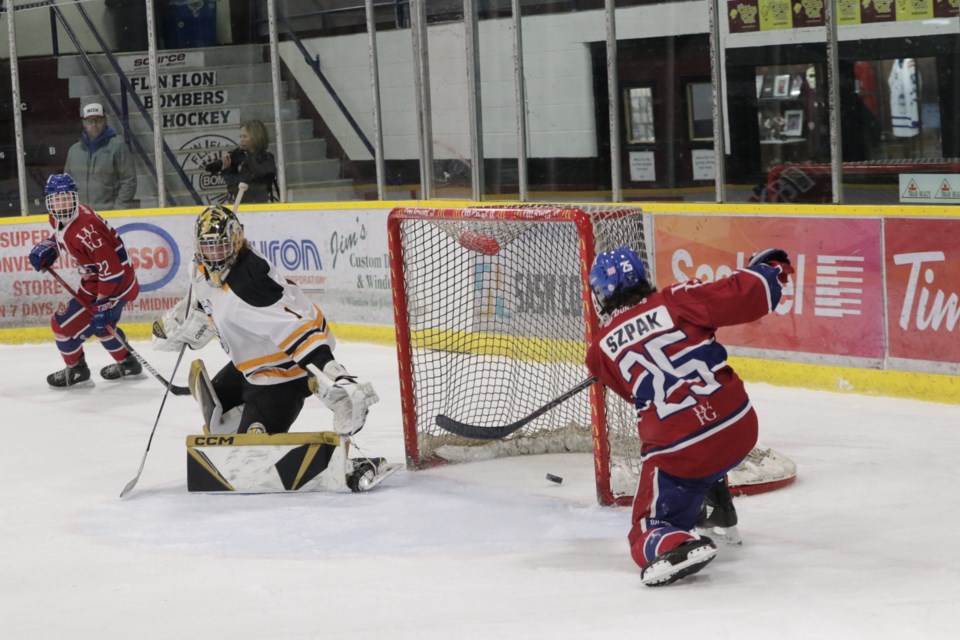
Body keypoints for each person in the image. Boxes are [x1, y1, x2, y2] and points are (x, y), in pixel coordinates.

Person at [584, 246, 794, 586]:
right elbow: (746, 294)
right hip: (738, 425)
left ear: (601, 294)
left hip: (682, 451)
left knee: (645, 526)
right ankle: (719, 511)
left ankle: (676, 540)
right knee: (703, 441)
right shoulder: (678, 299)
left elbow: (638, 397)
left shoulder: (598, 353)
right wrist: (768, 270)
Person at [152, 204, 377, 436]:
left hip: (283, 373)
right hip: (253, 361)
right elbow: (206, 296)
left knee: (249, 456)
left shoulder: (247, 288)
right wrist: (187, 323)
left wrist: (338, 375)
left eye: (221, 247)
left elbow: (298, 331)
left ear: (237, 241)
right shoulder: (199, 267)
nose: (215, 256)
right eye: (209, 248)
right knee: (216, 415)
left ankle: (322, 389)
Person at [28, 173, 142, 389]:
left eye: (66, 198)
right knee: (103, 327)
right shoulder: (60, 218)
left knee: (61, 326)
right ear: (48, 202)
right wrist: (50, 246)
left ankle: (77, 370)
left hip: (112, 285)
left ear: (75, 198)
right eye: (56, 199)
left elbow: (112, 271)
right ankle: (128, 363)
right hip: (99, 281)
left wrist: (102, 304)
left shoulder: (87, 229)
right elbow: (63, 236)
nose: (62, 204)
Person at [63, 103, 137, 211]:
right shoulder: (74, 151)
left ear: (105, 120)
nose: (94, 125)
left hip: (109, 215)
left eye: (98, 120)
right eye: (90, 121)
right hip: (81, 215)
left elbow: (129, 181)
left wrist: (118, 209)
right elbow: (67, 183)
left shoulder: (118, 147)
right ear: (84, 123)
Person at [204, 119, 278, 204]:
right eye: (241, 137)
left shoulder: (265, 159)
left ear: (256, 137)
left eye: (245, 136)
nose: (242, 140)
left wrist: (228, 171)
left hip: (255, 208)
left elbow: (238, 188)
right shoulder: (251, 158)